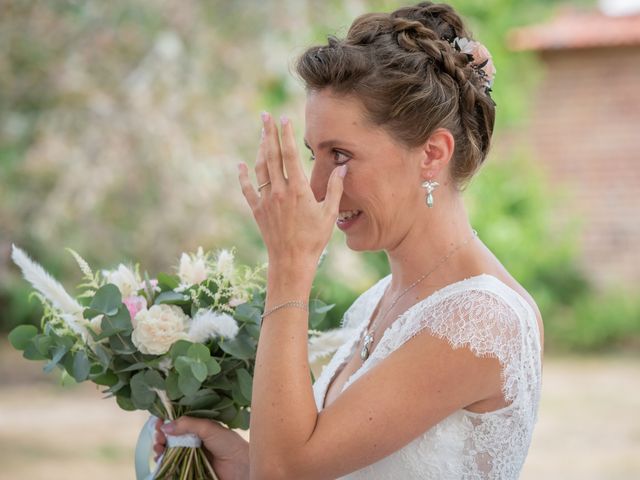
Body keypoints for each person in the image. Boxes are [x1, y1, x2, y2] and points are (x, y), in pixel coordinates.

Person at [154, 2, 544, 478]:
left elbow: (284, 471)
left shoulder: (481, 321)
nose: (317, 188)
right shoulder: (375, 303)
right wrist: (237, 463)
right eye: (313, 155)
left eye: (340, 154)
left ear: (432, 155)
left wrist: (290, 265)